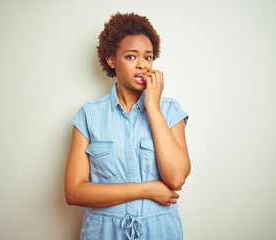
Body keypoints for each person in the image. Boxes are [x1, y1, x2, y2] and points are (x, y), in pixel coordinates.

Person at [65, 12, 191, 240]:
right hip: (103, 232)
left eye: (148, 57)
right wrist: (147, 189)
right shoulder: (88, 115)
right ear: (111, 60)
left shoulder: (170, 110)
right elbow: (74, 192)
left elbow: (176, 178)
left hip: (160, 230)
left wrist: (153, 107)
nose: (142, 65)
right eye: (131, 57)